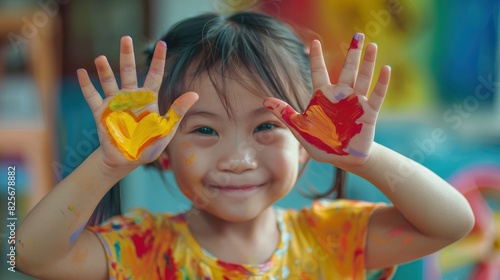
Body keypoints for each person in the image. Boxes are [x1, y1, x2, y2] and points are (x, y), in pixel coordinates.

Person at [16, 10, 474, 280]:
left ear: (306, 141)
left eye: (267, 127)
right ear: (163, 147)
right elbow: (31, 254)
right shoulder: (141, 247)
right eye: (205, 131)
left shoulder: (335, 239)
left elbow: (451, 223)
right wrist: (110, 164)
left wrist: (365, 157)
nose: (238, 159)